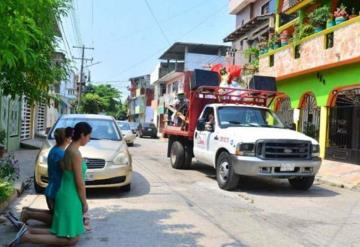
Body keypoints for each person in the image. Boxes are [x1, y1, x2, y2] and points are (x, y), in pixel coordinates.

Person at [8, 122, 92, 246]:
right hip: (70, 196)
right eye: (89, 136)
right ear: (82, 135)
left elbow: (64, 168)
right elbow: (80, 184)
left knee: (62, 231)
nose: (89, 139)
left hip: (65, 192)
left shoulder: (69, 149)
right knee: (71, 239)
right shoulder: (75, 153)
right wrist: (84, 203)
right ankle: (26, 237)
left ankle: (29, 231)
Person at [14, 127, 73, 227]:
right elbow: (66, 172)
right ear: (66, 139)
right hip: (57, 191)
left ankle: (27, 211)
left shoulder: (54, 150)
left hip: (52, 189)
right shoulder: (60, 154)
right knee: (57, 221)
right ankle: (28, 214)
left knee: (55, 214)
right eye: (70, 136)